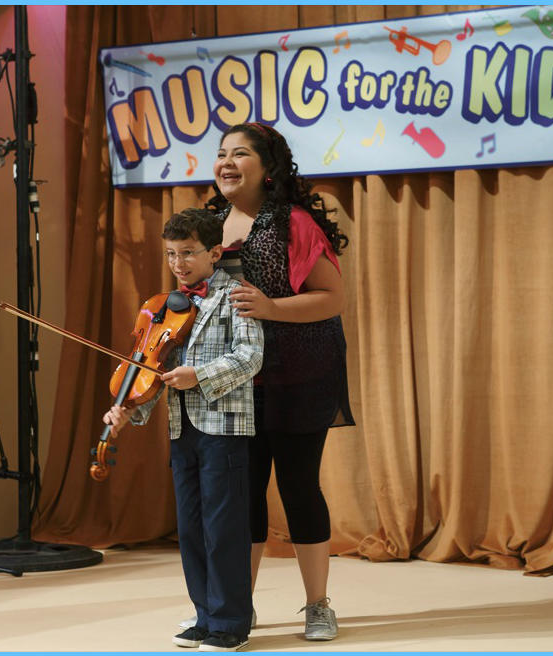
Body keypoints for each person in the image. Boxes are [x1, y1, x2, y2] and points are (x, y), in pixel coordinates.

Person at [204, 122, 354, 641]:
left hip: (300, 372)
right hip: (235, 378)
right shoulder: (209, 225)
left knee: (298, 487)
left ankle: (318, 606)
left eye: (240, 154)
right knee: (241, 494)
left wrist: (270, 308)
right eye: (221, 153)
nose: (226, 162)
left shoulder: (293, 223)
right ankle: (236, 608)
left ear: (268, 168)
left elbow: (332, 298)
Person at [103, 208, 263, 652]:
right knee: (190, 527)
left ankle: (230, 623)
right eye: (171, 254)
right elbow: (151, 370)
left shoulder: (237, 295)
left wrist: (200, 376)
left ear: (214, 253)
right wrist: (128, 411)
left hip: (223, 427)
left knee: (223, 526)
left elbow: (250, 356)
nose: (178, 263)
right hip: (181, 429)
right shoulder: (164, 307)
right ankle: (205, 614)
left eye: (188, 253)